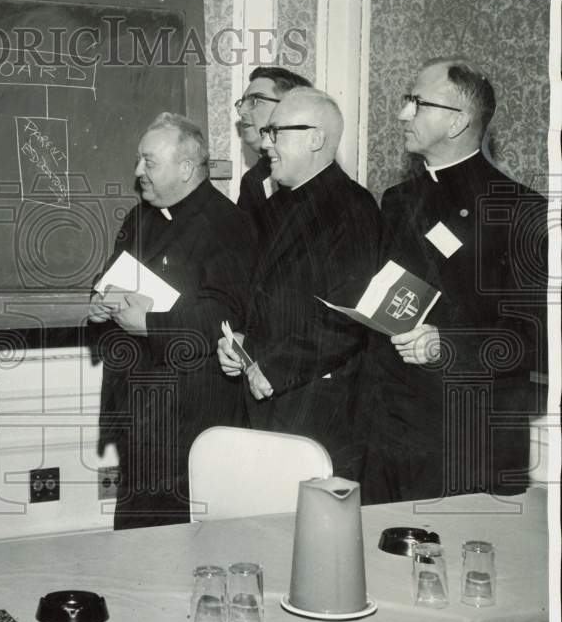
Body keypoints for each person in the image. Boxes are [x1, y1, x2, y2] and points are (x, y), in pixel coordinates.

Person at [359, 59, 548, 503]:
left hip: (465, 439)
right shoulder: (397, 201)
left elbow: (536, 339)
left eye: (418, 103)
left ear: (459, 120)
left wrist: (448, 344)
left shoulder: (520, 210)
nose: (403, 114)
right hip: (388, 431)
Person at [89, 112, 254, 530]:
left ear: (185, 169)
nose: (137, 172)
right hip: (137, 410)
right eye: (139, 161)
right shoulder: (139, 217)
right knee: (135, 538)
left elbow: (224, 316)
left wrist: (150, 324)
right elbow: (109, 278)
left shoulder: (227, 224)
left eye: (149, 162)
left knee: (184, 541)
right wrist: (99, 303)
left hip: (189, 417)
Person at [218, 88, 381, 479]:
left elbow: (349, 318)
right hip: (268, 400)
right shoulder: (277, 205)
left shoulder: (354, 209)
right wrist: (240, 338)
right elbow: (262, 295)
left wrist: (273, 367)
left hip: (315, 410)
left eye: (277, 132)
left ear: (315, 138)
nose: (266, 143)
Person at [235, 66, 312, 243]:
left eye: (254, 101)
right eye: (242, 103)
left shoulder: (315, 172)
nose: (241, 112)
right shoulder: (253, 180)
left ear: (290, 107)